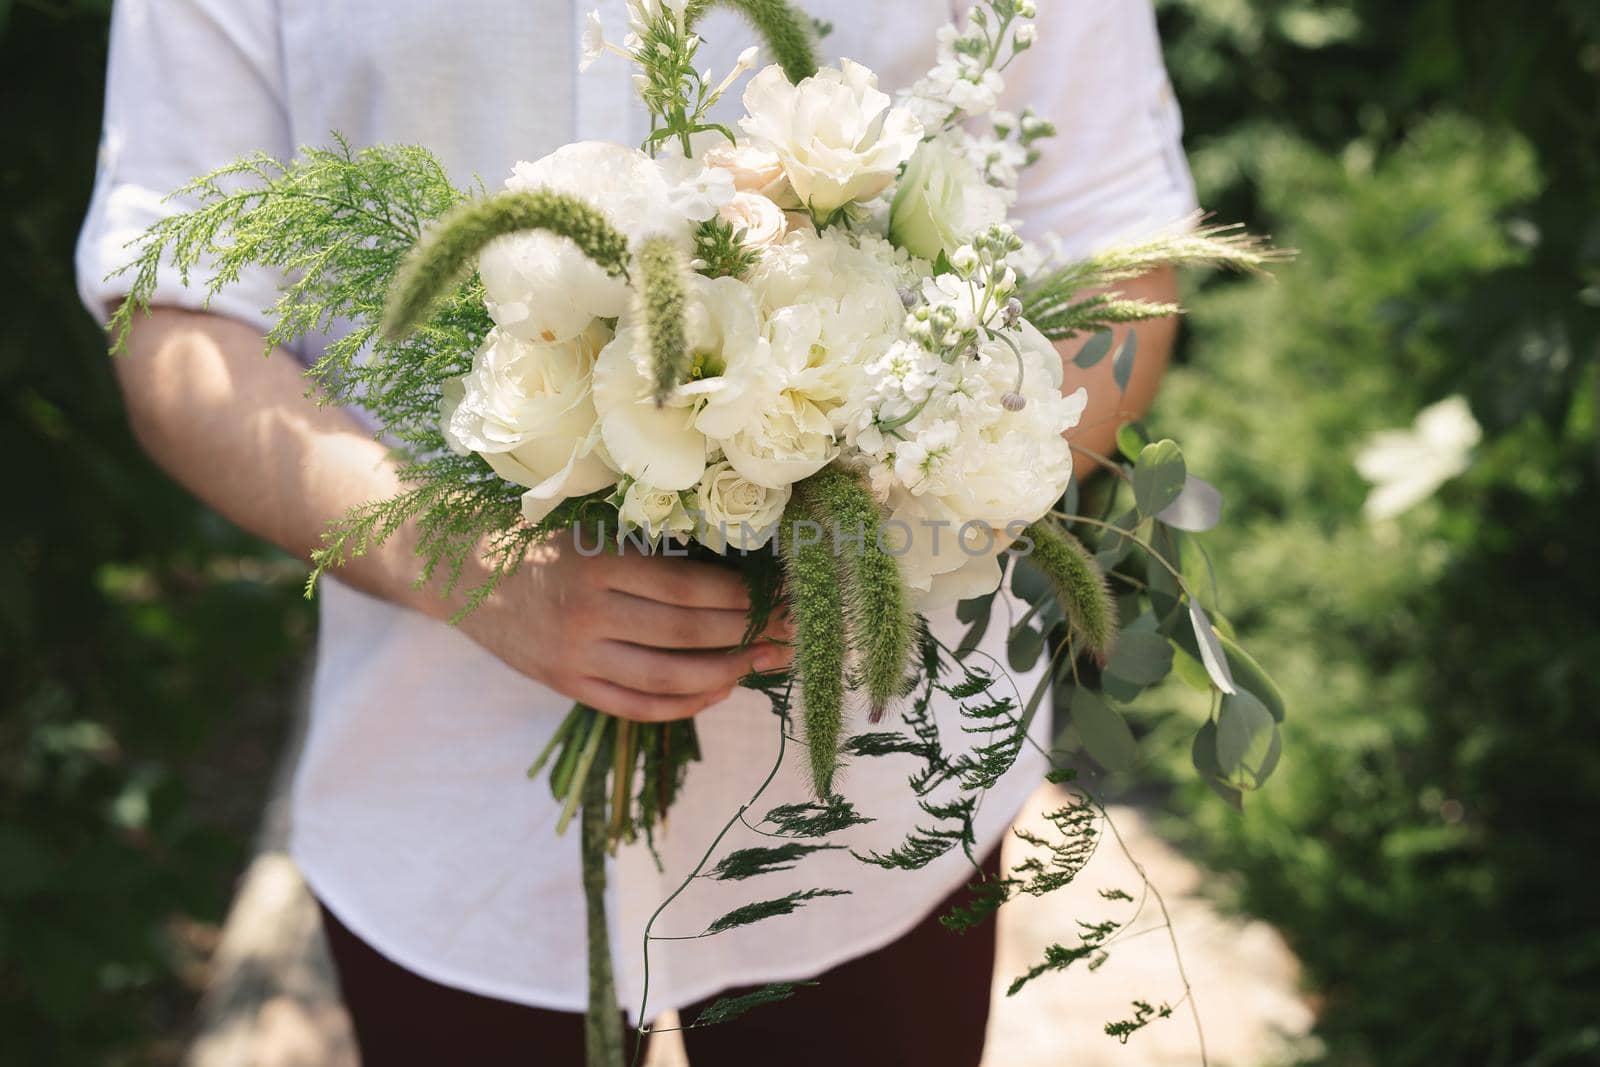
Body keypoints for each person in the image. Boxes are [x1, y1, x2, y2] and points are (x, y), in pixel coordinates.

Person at [77, 1, 1197, 1062]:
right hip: (441, 801)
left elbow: (1116, 245)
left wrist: (906, 498)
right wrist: (460, 557)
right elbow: (175, 308)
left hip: (882, 798)